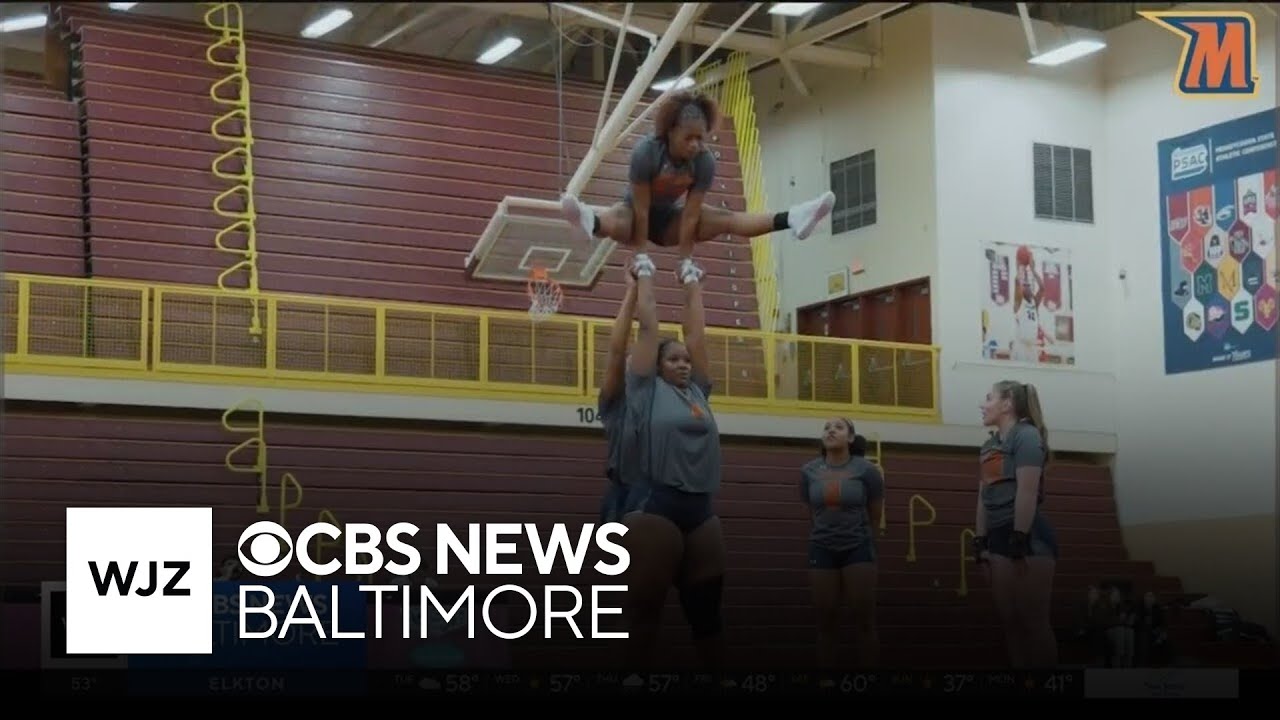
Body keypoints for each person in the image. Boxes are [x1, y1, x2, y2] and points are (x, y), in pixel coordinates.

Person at [559, 90, 836, 275]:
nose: (695, 145)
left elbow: (690, 216)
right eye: (688, 138)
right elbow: (641, 209)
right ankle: (589, 220)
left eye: (700, 138)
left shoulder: (704, 161)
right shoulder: (647, 152)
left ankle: (793, 218)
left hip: (669, 223)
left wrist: (685, 260)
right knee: (620, 215)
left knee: (722, 217)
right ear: (670, 131)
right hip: (634, 217)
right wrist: (641, 254)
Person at [616, 251, 725, 670]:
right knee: (646, 614)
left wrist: (692, 281)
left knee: (707, 616)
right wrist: (645, 275)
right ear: (657, 366)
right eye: (673, 359)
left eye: (684, 360)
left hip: (701, 509)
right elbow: (648, 328)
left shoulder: (697, 391)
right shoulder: (645, 391)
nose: (682, 363)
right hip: (656, 504)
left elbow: (696, 337)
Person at [971, 380, 1058, 668]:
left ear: (1007, 404)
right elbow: (984, 496)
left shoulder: (1027, 436)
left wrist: (1020, 538)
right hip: (996, 537)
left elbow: (1027, 491)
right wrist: (980, 540)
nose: (982, 405)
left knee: (1033, 621)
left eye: (988, 397)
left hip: (1028, 536)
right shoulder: (989, 445)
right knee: (1010, 621)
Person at [800, 417, 883, 670]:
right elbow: (811, 512)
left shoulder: (866, 470)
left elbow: (875, 513)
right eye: (826, 427)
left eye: (838, 427)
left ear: (850, 438)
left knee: (864, 622)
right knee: (826, 623)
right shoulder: (808, 471)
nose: (830, 430)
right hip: (821, 548)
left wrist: (867, 542)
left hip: (857, 548)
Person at [598, 264, 639, 523]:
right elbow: (616, 349)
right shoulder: (618, 402)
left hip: (659, 495)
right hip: (623, 492)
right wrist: (633, 291)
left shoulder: (663, 402)